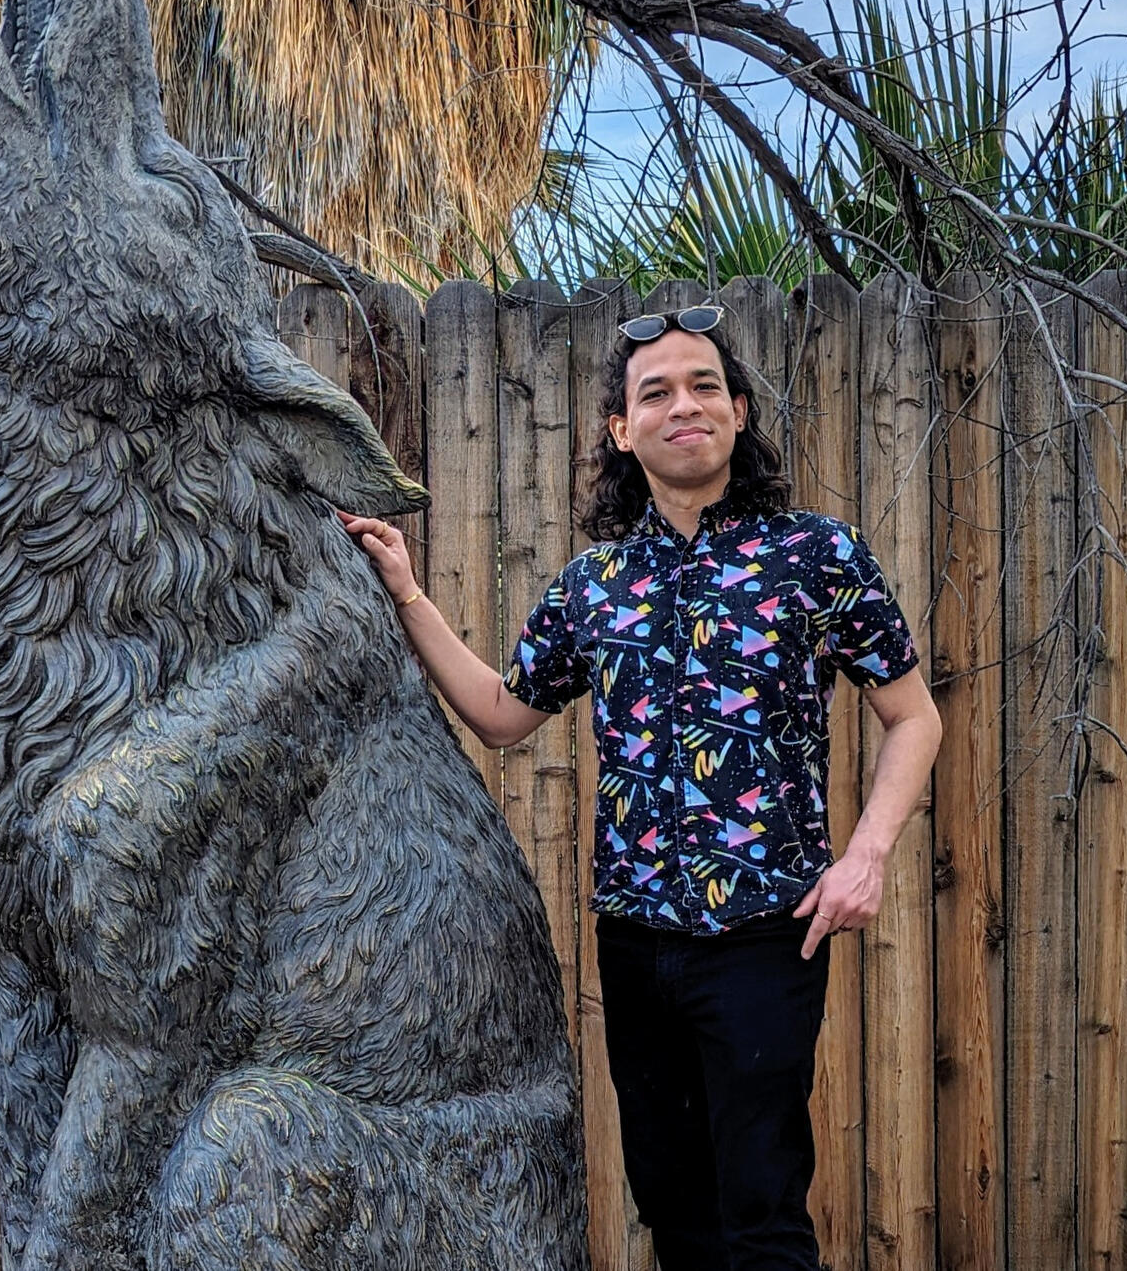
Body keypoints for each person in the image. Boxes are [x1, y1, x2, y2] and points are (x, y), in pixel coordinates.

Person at [340, 304, 942, 1271]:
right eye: (653, 391)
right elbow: (503, 712)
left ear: (739, 411)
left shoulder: (818, 557)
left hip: (764, 933)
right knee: (673, 1207)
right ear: (622, 430)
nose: (683, 404)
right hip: (634, 942)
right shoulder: (595, 585)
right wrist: (408, 592)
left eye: (704, 384)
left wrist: (864, 856)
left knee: (762, 1211)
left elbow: (914, 717)